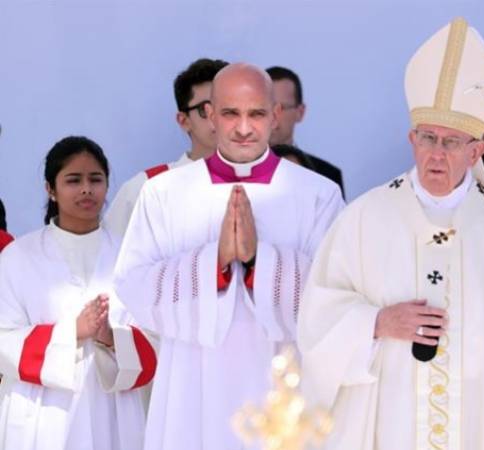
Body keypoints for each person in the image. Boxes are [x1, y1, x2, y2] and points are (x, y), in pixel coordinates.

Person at [297, 18, 484, 450]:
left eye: (451, 141)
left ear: (476, 150)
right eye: (428, 138)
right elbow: (316, 319)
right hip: (389, 420)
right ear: (412, 139)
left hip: (478, 421)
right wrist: (376, 322)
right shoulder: (364, 218)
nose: (437, 154)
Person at [114, 62, 344, 450]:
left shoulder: (318, 194)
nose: (242, 127)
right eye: (230, 113)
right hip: (191, 379)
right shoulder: (164, 193)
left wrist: (259, 261)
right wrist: (214, 263)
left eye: (255, 114)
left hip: (283, 377)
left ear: (275, 116)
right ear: (210, 116)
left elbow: (334, 295)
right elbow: (133, 286)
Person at [0, 136, 156, 450]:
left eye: (95, 179)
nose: (86, 189)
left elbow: (156, 336)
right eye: (73, 180)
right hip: (41, 410)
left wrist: (112, 337)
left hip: (111, 407)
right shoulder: (18, 256)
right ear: (50, 189)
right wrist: (73, 331)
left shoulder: (131, 255)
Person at [103, 58, 227, 237]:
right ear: (184, 121)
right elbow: (107, 258)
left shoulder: (270, 184)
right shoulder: (145, 188)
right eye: (206, 110)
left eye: (229, 107)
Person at [266, 66, 345, 196]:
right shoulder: (234, 172)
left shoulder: (328, 176)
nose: (273, 116)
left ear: (300, 112)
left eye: (282, 108)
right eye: (267, 107)